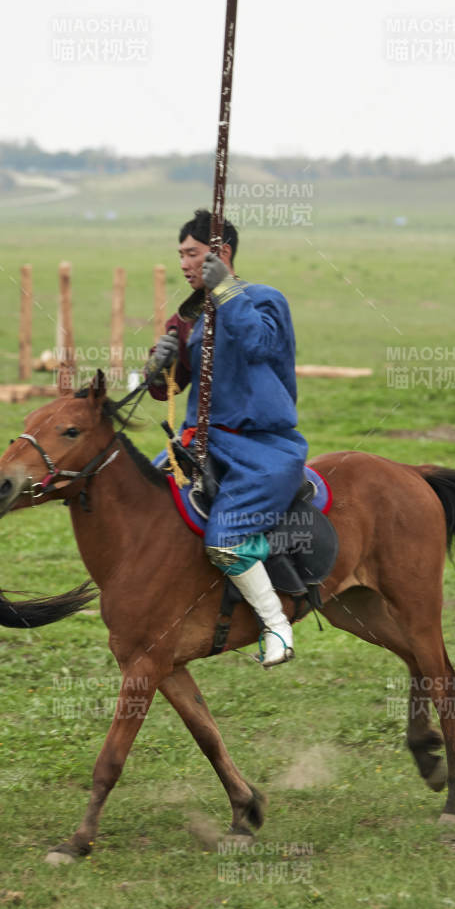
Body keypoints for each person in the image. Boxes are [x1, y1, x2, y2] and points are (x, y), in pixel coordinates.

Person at [145, 210, 307, 666]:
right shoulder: (189, 317)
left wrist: (226, 289)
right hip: (199, 443)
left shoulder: (264, 300)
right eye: (179, 255)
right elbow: (168, 390)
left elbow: (260, 345)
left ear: (222, 254)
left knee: (224, 538)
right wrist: (158, 367)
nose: (183, 264)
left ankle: (276, 625)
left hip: (262, 450)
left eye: (192, 253)